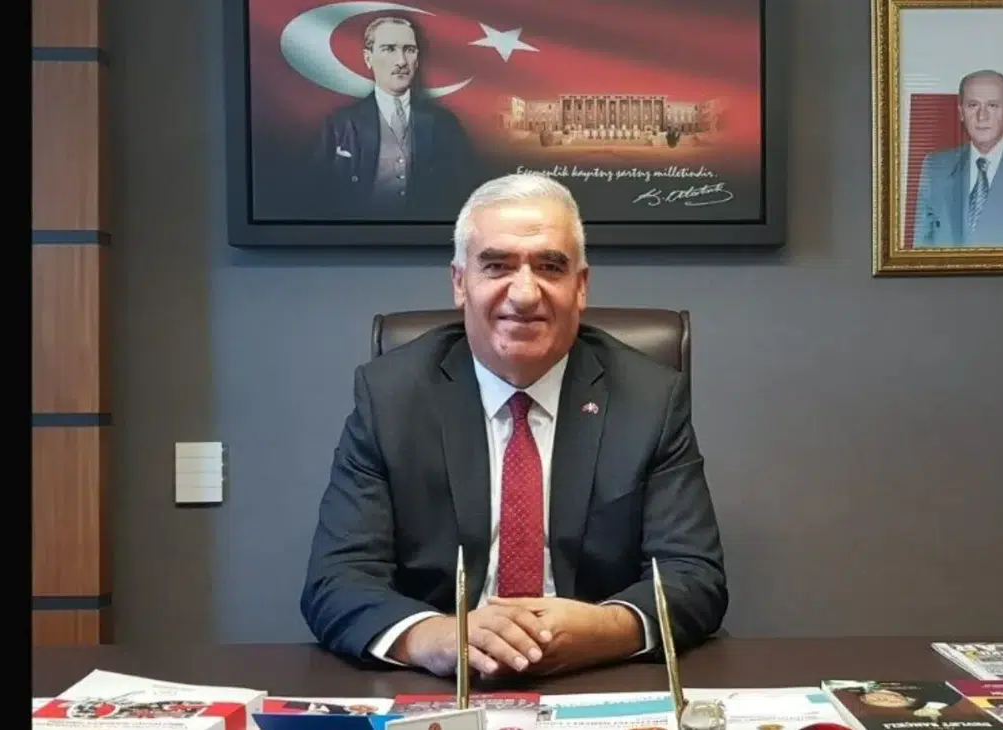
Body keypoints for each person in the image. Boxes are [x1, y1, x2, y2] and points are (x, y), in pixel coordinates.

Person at [299, 172, 728, 678]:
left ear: (580, 287)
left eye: (550, 267)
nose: (524, 294)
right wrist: (436, 637)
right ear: (460, 283)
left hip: (597, 678)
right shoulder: (391, 397)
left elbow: (693, 575)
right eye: (497, 266)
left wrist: (605, 628)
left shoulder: (650, 399)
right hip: (440, 686)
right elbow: (337, 578)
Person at [312, 16, 478, 219]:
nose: (401, 61)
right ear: (368, 58)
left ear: (417, 59)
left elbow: (461, 193)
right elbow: (319, 195)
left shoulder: (445, 124)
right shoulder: (339, 124)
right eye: (389, 49)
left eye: (409, 50)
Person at [912, 69, 1003, 247]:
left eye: (993, 105)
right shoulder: (935, 167)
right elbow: (921, 252)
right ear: (961, 112)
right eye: (973, 105)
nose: (982, 116)